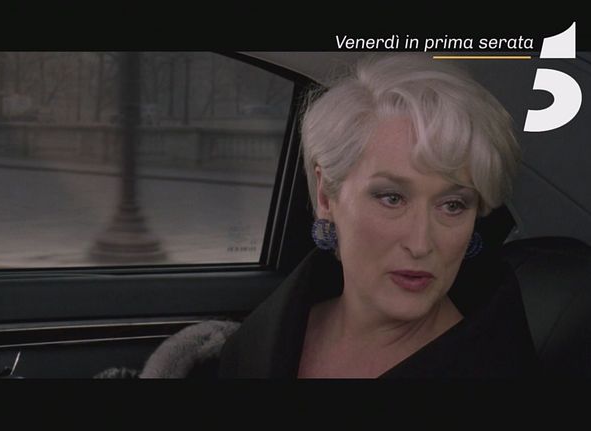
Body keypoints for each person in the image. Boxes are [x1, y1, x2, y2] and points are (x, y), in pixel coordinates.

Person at [96, 53, 541, 379]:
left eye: (453, 205)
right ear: (327, 195)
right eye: (391, 198)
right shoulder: (276, 326)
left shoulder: (491, 368)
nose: (422, 242)